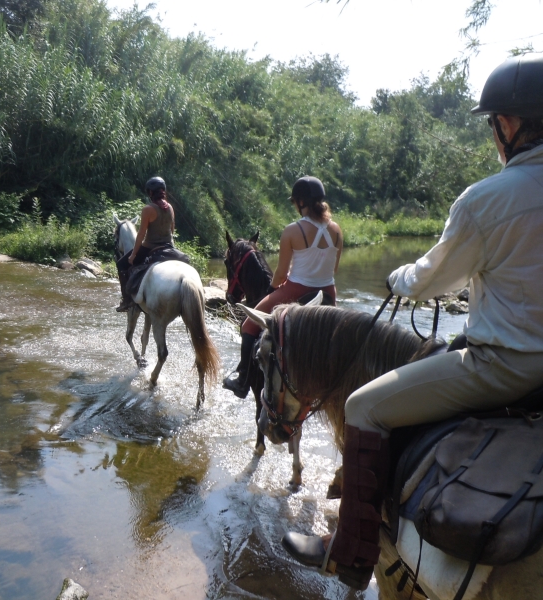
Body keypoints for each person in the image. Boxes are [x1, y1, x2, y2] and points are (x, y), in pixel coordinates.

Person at [282, 53, 543, 591]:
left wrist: (399, 278)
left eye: (494, 124)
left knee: (361, 406)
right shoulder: (330, 230)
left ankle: (350, 553)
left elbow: (430, 280)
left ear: (510, 124)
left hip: (503, 368)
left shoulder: (489, 199)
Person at [223, 176, 343, 398]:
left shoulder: (292, 230)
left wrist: (274, 287)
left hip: (296, 290)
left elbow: (279, 274)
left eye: (294, 202)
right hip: (328, 294)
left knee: (249, 325)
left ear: (301, 202)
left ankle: (242, 379)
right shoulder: (336, 230)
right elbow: (332, 270)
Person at [115, 176, 175, 312]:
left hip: (150, 247)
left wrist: (133, 255)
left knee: (121, 264)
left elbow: (141, 234)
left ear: (150, 193)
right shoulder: (170, 207)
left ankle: (126, 300)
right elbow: (172, 229)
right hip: (169, 246)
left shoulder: (148, 209)